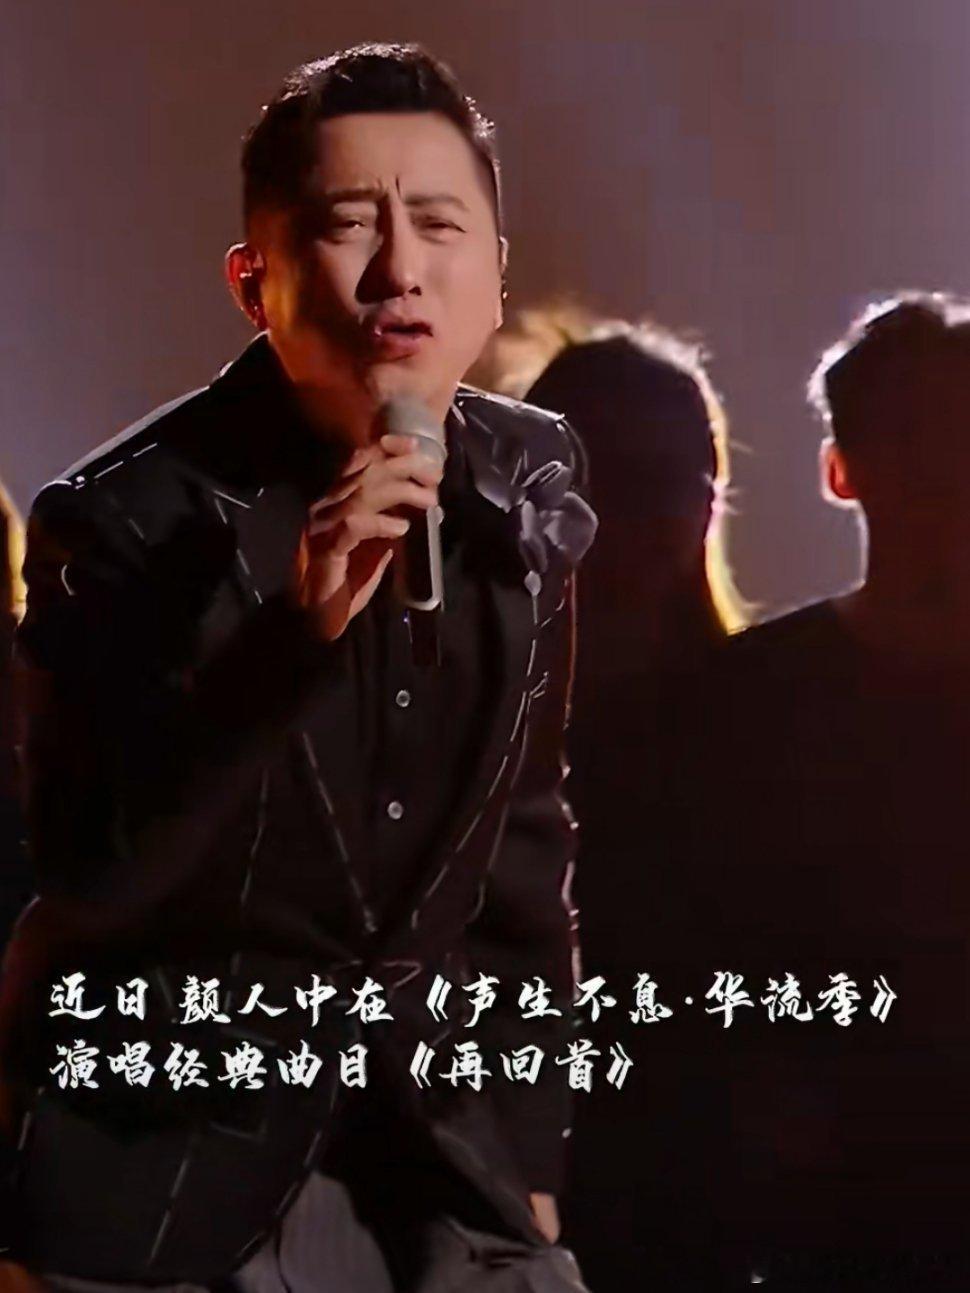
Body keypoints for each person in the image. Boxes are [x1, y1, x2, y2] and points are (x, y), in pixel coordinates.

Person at [0, 44, 597, 1293]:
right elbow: (93, 869)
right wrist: (292, 636)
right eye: (346, 225)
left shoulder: (528, 478)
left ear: (495, 274)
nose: (398, 269)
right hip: (172, 1155)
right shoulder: (127, 520)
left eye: (438, 224)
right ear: (252, 282)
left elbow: (524, 846)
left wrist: (529, 1146)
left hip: (437, 1154)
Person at [688, 293, 970, 1287]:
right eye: (917, 438)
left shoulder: (742, 698)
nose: (942, 473)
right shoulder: (739, 705)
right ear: (845, 470)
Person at [487, 312, 747, 1289]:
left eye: (667, 481)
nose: (633, 519)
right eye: (604, 480)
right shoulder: (452, 716)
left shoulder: (770, 719)